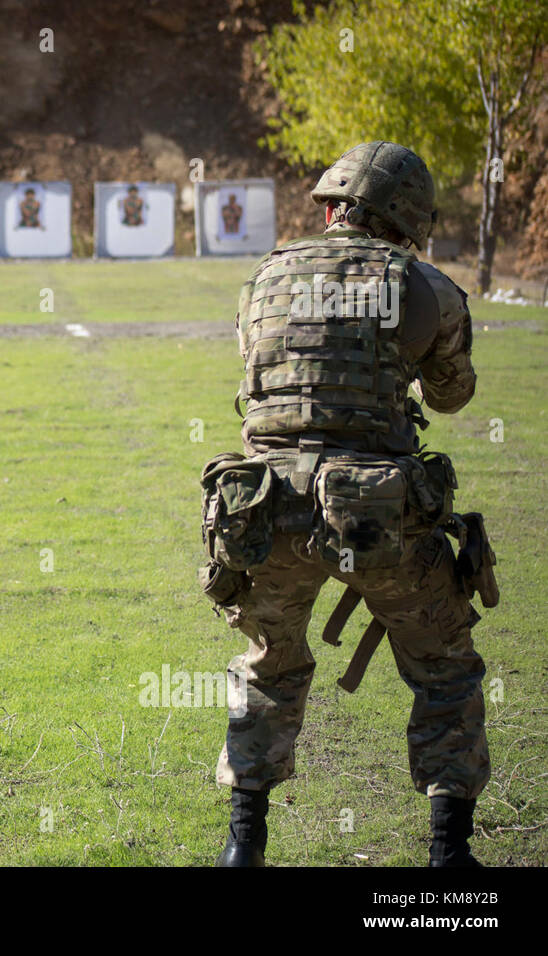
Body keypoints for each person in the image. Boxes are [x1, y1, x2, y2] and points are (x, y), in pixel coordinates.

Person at [201, 141, 493, 867]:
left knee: (268, 665)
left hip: (264, 510)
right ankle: (449, 858)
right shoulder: (423, 284)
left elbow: (260, 371)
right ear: (403, 220)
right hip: (379, 512)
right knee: (445, 666)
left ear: (334, 207)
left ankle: (245, 849)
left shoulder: (264, 277)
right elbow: (452, 395)